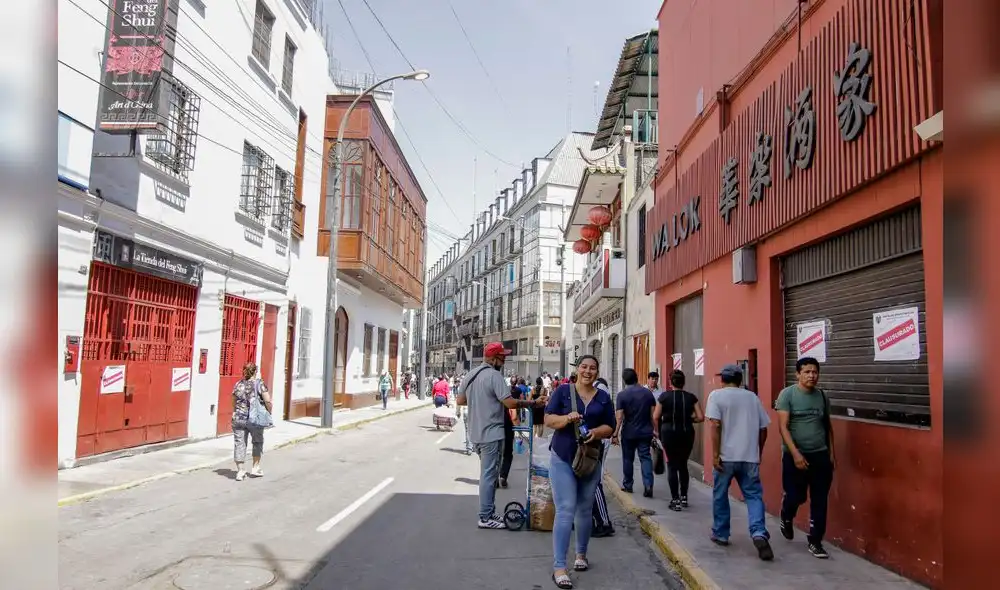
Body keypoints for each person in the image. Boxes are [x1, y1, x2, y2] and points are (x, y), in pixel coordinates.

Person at [544, 355, 616, 589]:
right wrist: (566, 418)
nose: (588, 371)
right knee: (566, 509)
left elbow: (611, 426)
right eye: (584, 367)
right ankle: (559, 567)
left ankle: (581, 555)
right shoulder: (563, 392)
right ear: (578, 370)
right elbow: (548, 420)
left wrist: (596, 432)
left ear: (597, 372)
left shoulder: (604, 397)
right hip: (563, 457)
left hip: (590, 460)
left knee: (584, 508)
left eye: (593, 368)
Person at [457, 342, 546, 529]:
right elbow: (509, 403)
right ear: (492, 358)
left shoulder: (471, 375)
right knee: (489, 476)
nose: (504, 359)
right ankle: (485, 516)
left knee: (487, 474)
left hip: (476, 432)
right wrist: (532, 404)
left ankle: (488, 513)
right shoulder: (494, 376)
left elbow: (461, 400)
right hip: (491, 433)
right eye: (501, 356)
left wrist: (481, 401)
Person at [705, 364, 774, 561]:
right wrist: (758, 452)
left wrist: (716, 455)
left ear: (722, 380)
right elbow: (764, 429)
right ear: (740, 380)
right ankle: (759, 533)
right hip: (749, 458)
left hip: (725, 458)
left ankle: (721, 533)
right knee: (753, 496)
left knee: (720, 495)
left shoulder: (716, 396)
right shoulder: (752, 397)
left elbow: (715, 425)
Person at [776, 356, 835, 559]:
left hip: (820, 455)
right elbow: (783, 427)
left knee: (820, 500)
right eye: (807, 372)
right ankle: (786, 514)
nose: (812, 375)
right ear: (798, 374)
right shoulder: (787, 395)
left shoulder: (822, 396)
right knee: (796, 496)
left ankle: (815, 541)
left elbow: (827, 426)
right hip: (794, 456)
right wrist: (795, 454)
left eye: (815, 372)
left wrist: (831, 455)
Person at [653, 369, 704, 511]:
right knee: (683, 465)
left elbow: (656, 416)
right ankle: (684, 497)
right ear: (684, 382)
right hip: (687, 433)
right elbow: (700, 417)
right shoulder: (691, 397)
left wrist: (657, 431)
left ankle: (675, 500)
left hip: (668, 433)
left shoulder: (664, 397)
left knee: (671, 466)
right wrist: (688, 418)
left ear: (670, 382)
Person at [613, 368, 657, 497]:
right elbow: (653, 415)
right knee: (645, 458)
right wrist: (656, 430)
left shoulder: (622, 395)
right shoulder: (648, 393)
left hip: (628, 433)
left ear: (624, 380)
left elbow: (619, 417)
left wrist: (615, 433)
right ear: (637, 377)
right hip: (645, 432)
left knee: (628, 459)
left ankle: (628, 485)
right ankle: (648, 485)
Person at [230, 363, 272, 481]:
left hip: (239, 418)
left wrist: (235, 411)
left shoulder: (238, 384)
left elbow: (233, 400)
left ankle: (240, 471)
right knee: (257, 441)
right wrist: (268, 412)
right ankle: (255, 467)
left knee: (239, 443)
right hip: (255, 419)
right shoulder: (260, 384)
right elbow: (267, 401)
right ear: (255, 372)